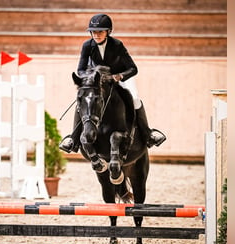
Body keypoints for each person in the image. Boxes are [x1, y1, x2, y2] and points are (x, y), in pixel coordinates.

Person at [59, 13, 166, 153]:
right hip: (98, 81)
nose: (96, 35)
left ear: (108, 32)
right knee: (84, 99)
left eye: (100, 32)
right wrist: (91, 77)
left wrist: (119, 76)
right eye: (93, 32)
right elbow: (80, 69)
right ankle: (73, 139)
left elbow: (133, 69)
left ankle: (148, 134)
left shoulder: (117, 45)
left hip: (120, 78)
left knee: (134, 98)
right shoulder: (87, 45)